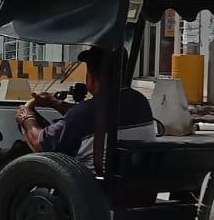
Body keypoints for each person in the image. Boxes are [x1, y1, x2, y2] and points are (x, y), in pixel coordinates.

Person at [15, 47, 156, 163]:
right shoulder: (140, 102)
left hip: (89, 186)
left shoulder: (84, 113)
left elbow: (39, 144)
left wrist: (26, 117)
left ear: (91, 78)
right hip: (134, 186)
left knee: (18, 152)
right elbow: (93, 118)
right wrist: (55, 103)